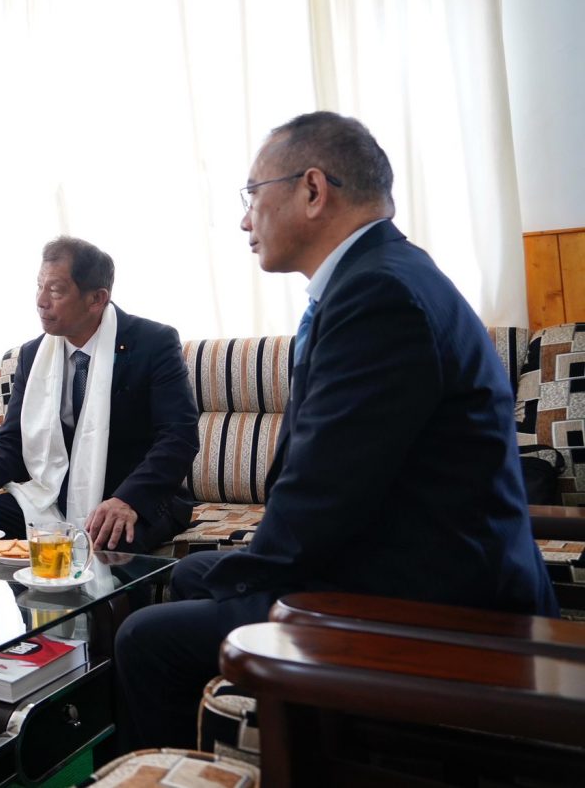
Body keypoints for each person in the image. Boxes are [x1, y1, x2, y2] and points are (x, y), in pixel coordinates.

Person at [112, 112, 558, 751]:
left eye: (251, 195)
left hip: (434, 602)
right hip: (404, 558)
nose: (244, 221)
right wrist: (239, 571)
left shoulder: (379, 297)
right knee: (190, 576)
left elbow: (323, 492)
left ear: (313, 190)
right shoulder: (381, 274)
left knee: (144, 638)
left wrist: (248, 575)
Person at [0, 236, 199, 552]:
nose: (41, 301)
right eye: (39, 286)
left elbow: (178, 437)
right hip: (52, 498)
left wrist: (127, 499)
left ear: (96, 298)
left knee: (106, 536)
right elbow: (13, 440)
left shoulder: (153, 343)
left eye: (55, 291)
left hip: (135, 498)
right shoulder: (32, 355)